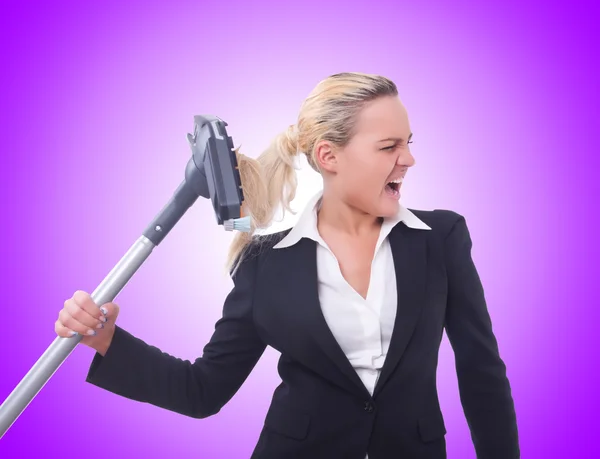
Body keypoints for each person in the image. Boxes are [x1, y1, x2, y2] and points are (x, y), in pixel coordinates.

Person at [54, 72, 520, 458]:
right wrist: (106, 339)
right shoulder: (265, 264)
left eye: (409, 143)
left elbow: (480, 370)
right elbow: (203, 391)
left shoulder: (440, 239)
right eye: (388, 146)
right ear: (328, 156)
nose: (409, 159)